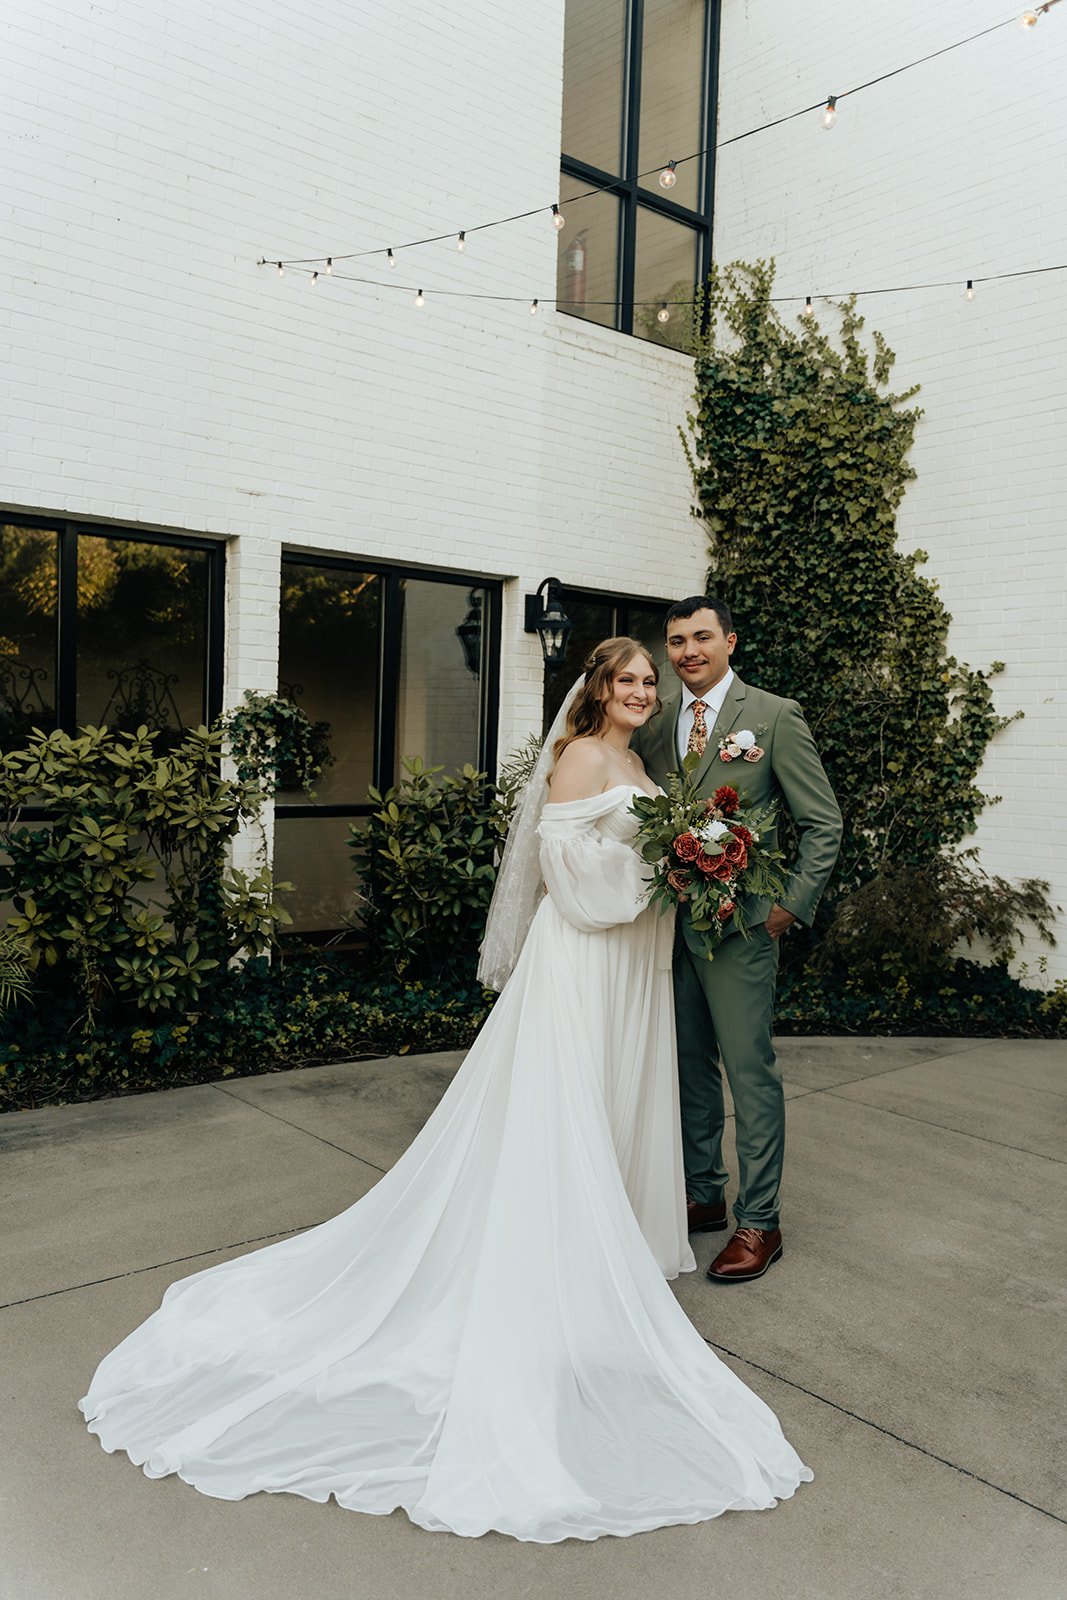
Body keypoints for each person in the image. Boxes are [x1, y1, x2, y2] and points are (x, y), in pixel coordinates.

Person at [79, 637, 812, 1542]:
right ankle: (558, 1245)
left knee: (619, 1096)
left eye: (647, 682)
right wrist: (666, 875)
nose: (639, 691)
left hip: (634, 962)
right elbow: (570, 880)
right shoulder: (581, 756)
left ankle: (613, 1227)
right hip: (590, 957)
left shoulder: (635, 757)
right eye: (625, 680)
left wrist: (691, 864)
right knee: (567, 1103)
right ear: (597, 689)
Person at [634, 599, 842, 1284]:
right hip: (670, 925)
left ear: (729, 639)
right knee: (687, 1064)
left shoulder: (774, 716)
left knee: (750, 1074)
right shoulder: (658, 721)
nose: (687, 651)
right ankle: (703, 1193)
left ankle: (760, 1221)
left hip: (743, 926)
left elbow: (823, 823)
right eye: (675, 641)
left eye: (700, 637)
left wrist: (788, 908)